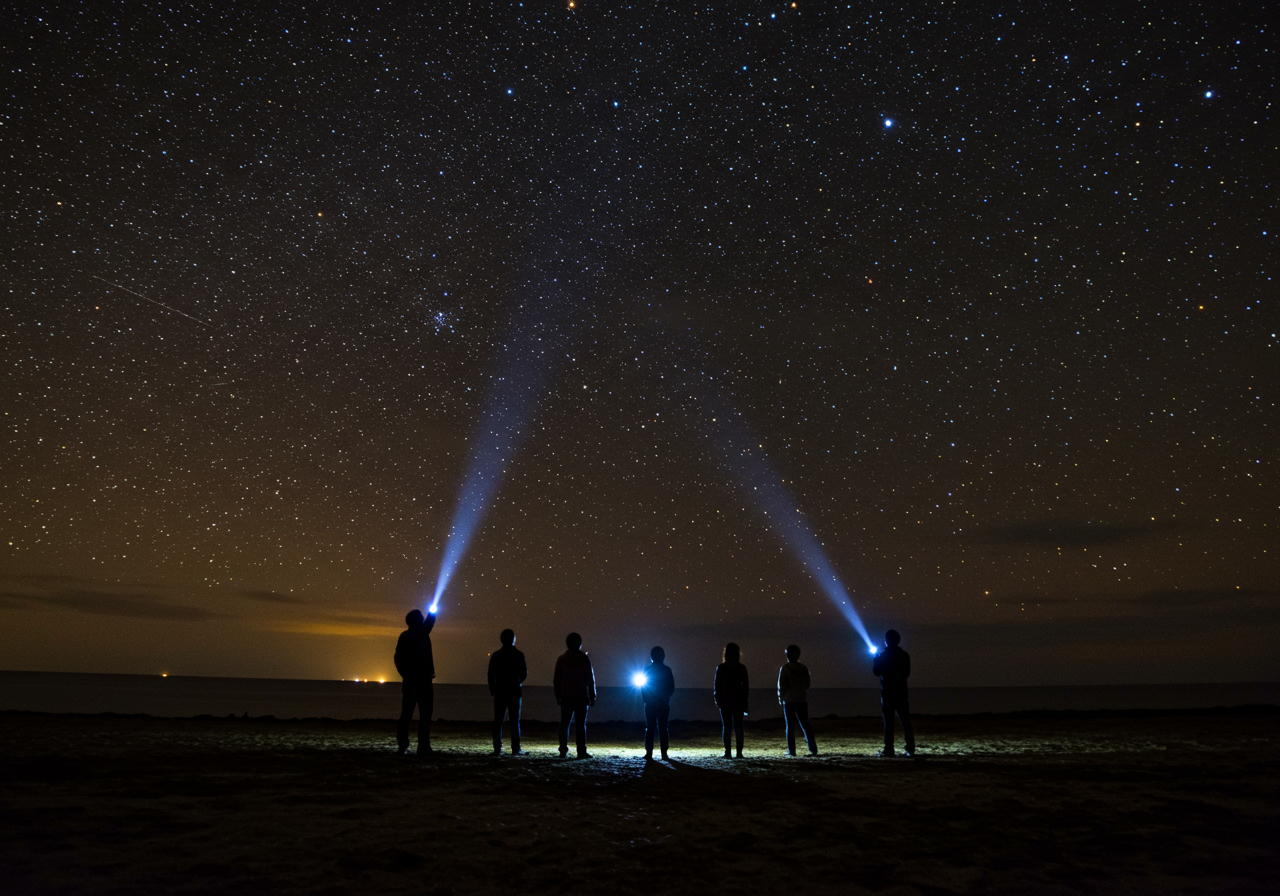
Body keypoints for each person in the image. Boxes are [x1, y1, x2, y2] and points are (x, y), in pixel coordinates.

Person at [394, 608, 436, 755]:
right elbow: (430, 622)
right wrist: (433, 611)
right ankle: (423, 746)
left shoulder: (404, 636)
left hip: (410, 682)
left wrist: (404, 673)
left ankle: (403, 745)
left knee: (406, 715)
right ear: (418, 621)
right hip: (423, 681)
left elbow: (397, 658)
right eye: (421, 617)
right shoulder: (422, 634)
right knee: (425, 716)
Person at [553, 632, 596, 758]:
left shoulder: (562, 659)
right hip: (581, 696)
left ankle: (563, 750)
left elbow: (556, 680)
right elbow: (590, 678)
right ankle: (581, 751)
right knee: (580, 725)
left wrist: (558, 695)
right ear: (579, 644)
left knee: (565, 723)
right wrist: (592, 695)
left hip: (566, 696)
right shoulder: (584, 658)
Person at [872, 629, 915, 757]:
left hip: (887, 692)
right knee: (905, 720)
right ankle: (910, 748)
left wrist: (876, 660)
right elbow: (906, 673)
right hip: (901, 691)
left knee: (889, 722)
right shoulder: (904, 655)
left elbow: (876, 672)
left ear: (886, 641)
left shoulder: (883, 656)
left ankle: (889, 749)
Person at [487, 628, 527, 756]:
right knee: (514, 721)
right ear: (513, 639)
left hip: (500, 691)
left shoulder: (496, 655)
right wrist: (517, 681)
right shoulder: (519, 655)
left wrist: (493, 688)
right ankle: (515, 748)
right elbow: (524, 673)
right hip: (514, 691)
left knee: (498, 721)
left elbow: (490, 674)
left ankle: (497, 748)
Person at [777, 644, 817, 756]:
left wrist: (780, 698)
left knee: (790, 726)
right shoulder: (804, 668)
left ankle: (792, 751)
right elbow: (808, 684)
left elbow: (782, 685)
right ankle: (813, 749)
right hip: (802, 699)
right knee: (805, 724)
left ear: (788, 655)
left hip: (789, 700)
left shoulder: (785, 668)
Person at [713, 642, 749, 758]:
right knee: (738, 727)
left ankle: (727, 752)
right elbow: (745, 687)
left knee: (727, 727)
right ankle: (739, 753)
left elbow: (717, 685)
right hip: (738, 701)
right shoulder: (741, 668)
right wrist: (745, 702)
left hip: (725, 701)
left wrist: (717, 699)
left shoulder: (721, 668)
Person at [640, 646, 676, 761]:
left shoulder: (647, 670)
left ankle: (649, 752)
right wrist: (664, 698)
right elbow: (671, 688)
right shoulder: (667, 670)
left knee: (650, 728)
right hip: (663, 703)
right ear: (663, 656)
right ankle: (664, 753)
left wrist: (647, 700)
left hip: (650, 704)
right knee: (663, 728)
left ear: (652, 657)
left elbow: (643, 688)